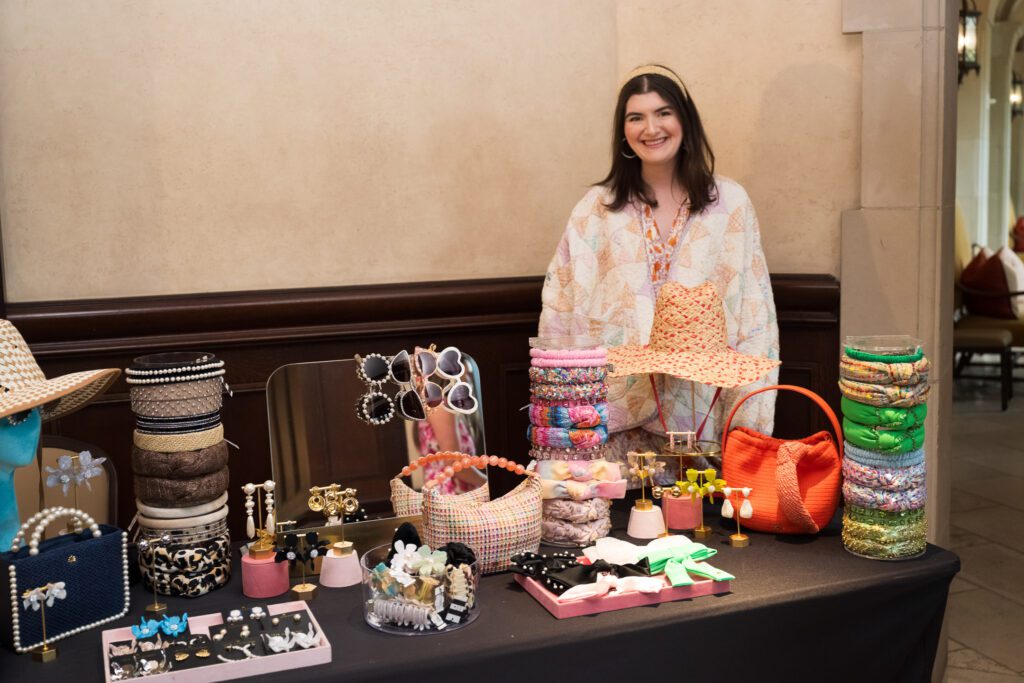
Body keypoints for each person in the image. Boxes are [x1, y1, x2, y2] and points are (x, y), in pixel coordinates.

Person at [539, 64, 779, 469]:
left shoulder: (731, 204)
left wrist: (749, 424)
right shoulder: (595, 209)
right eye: (636, 117)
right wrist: (567, 414)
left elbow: (754, 312)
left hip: (701, 416)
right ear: (624, 133)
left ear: (685, 120)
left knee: (700, 528)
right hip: (613, 423)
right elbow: (561, 309)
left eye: (663, 112)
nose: (651, 128)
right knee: (617, 528)